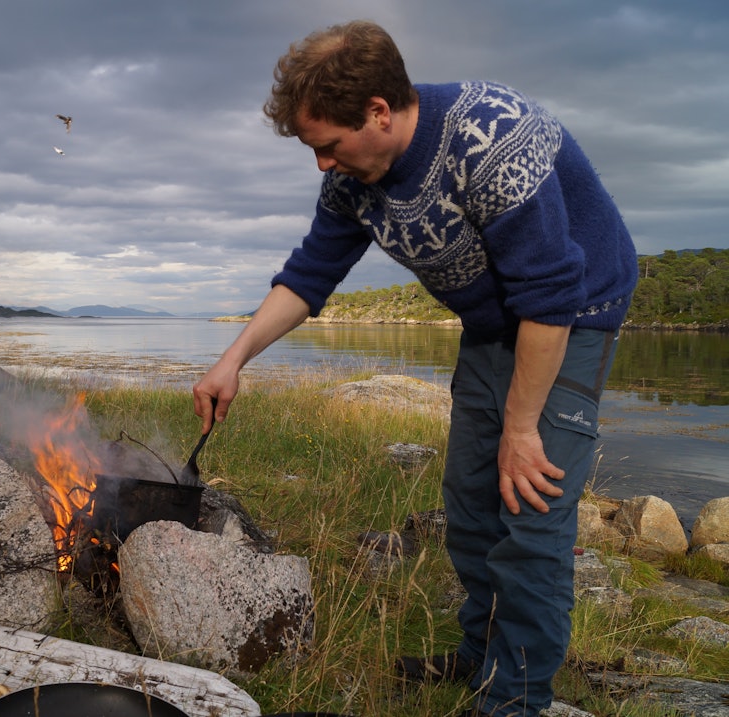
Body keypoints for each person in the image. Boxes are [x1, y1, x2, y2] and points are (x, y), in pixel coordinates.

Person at [191, 20, 638, 717]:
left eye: (328, 147)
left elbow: (551, 295)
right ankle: (478, 654)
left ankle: (515, 699)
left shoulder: (490, 139)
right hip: (494, 321)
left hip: (572, 313)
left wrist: (522, 427)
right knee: (468, 499)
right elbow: (310, 274)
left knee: (530, 508)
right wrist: (232, 360)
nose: (322, 166)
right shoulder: (353, 180)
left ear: (378, 111)